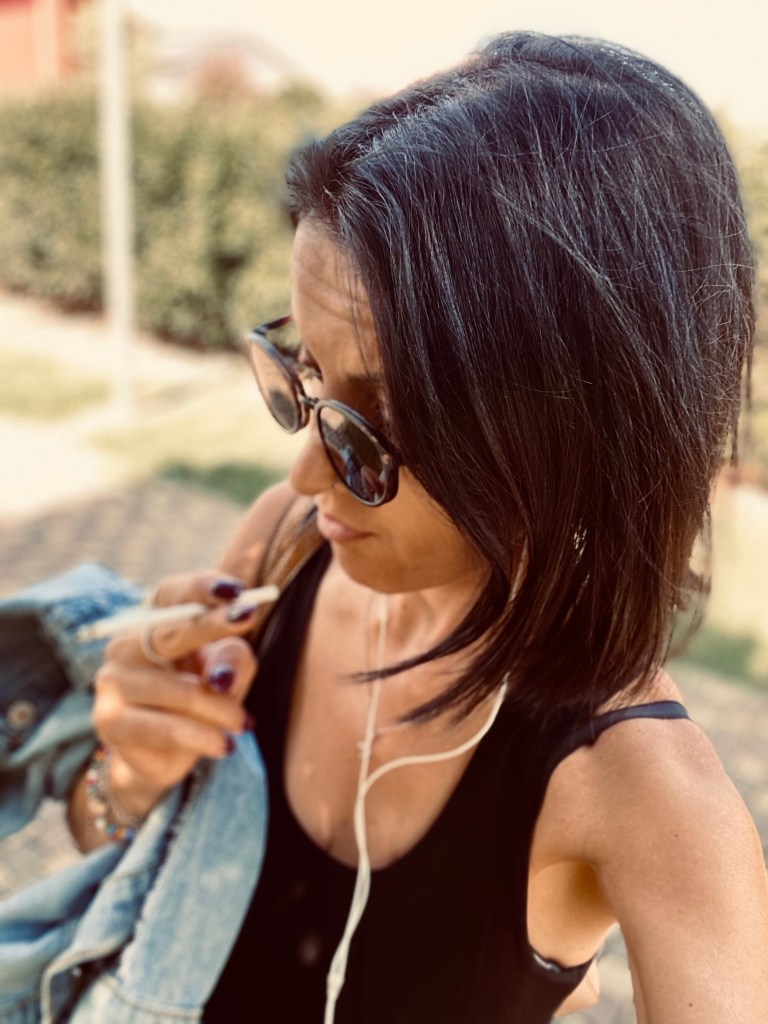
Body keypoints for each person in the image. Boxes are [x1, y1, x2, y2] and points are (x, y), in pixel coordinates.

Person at [65, 30, 768, 1023]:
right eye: (304, 380)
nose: (305, 472)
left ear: (573, 427)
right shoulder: (283, 549)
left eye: (378, 427)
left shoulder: (647, 793)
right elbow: (113, 854)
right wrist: (127, 776)